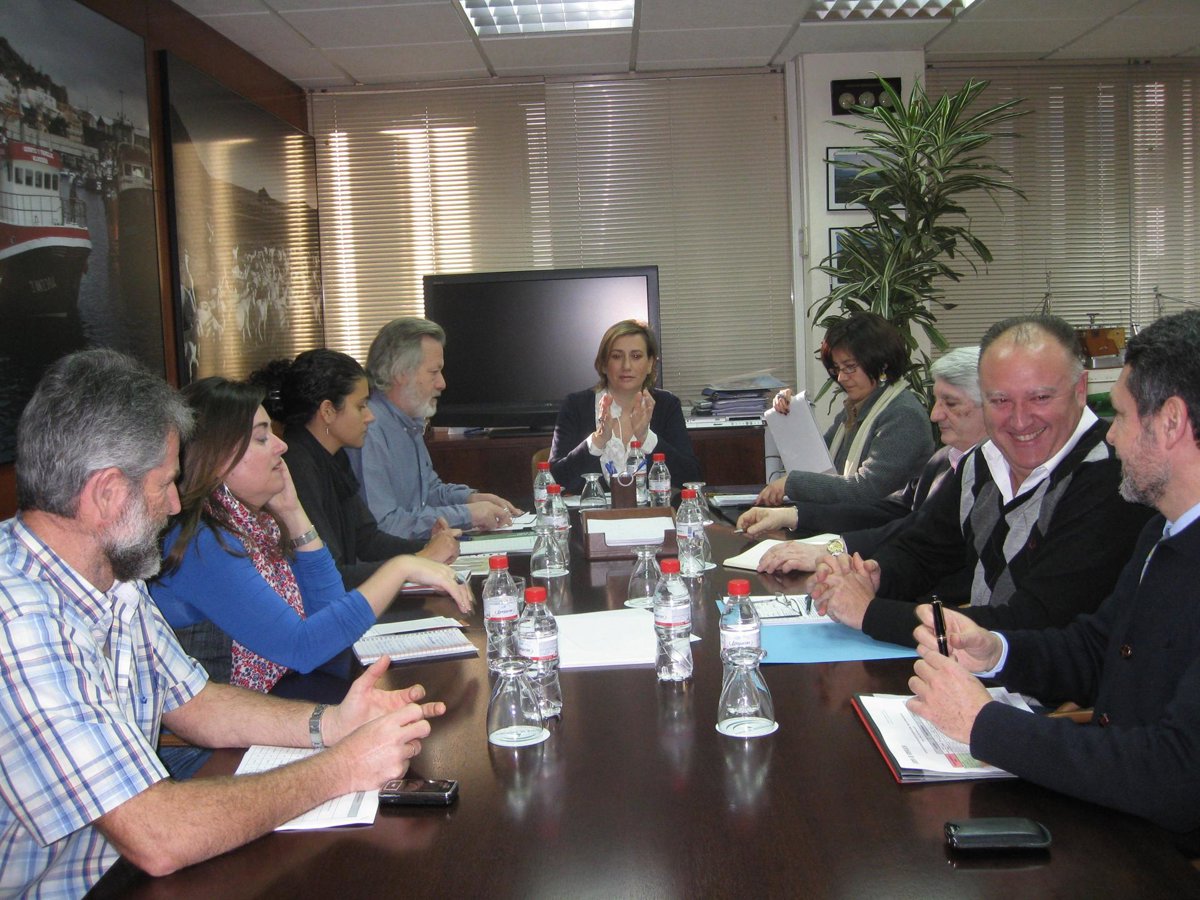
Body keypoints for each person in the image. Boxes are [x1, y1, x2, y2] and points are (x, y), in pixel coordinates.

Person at [0, 350, 444, 896]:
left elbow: (195, 703)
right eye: (165, 484)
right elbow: (158, 836)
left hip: (120, 867)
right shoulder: (18, 619)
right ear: (107, 493)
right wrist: (343, 767)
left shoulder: (114, 580)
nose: (173, 505)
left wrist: (332, 725)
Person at [907, 310, 1200, 848]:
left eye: (1122, 416)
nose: (1111, 436)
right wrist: (995, 651)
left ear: (1172, 421)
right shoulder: (1162, 531)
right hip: (1113, 814)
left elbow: (1176, 776)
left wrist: (984, 724)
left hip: (1156, 854)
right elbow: (1095, 649)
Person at [808, 314, 1154, 647]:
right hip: (972, 669)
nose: (1019, 420)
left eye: (1040, 398)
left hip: (1039, 681)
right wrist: (876, 576)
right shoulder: (983, 460)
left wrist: (871, 613)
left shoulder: (1112, 478)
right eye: (1000, 400)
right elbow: (924, 550)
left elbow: (1035, 622)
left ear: (1080, 390)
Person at [150, 377, 473, 692]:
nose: (281, 445)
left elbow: (327, 614)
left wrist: (294, 514)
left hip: (279, 694)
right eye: (261, 438)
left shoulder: (252, 522)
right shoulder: (201, 541)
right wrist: (400, 568)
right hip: (232, 723)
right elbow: (302, 647)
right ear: (215, 457)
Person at [740, 347, 985, 599]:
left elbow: (912, 527)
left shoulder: (908, 418)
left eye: (950, 403)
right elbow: (892, 510)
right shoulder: (946, 457)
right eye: (837, 369)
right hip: (900, 583)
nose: (934, 415)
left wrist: (832, 550)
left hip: (942, 605)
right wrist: (792, 515)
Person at [256, 349, 460, 589]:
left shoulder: (334, 456)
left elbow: (367, 539)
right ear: (328, 411)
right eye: (361, 406)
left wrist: (427, 546)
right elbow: (335, 576)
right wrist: (419, 560)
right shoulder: (296, 468)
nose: (370, 416)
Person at [348, 317, 522, 540]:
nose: (442, 383)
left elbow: (426, 494)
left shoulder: (408, 421)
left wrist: (470, 499)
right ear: (400, 373)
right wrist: (468, 514)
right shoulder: (368, 429)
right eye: (434, 372)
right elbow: (384, 525)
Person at [758, 311, 933, 506]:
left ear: (882, 364)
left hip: (885, 524)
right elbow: (816, 463)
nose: (841, 378)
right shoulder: (855, 409)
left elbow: (867, 490)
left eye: (850, 367)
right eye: (837, 369)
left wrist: (791, 484)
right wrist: (791, 414)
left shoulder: (903, 414)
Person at [549, 318, 702, 494]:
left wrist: (646, 438)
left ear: (650, 364)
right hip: (593, 511)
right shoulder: (575, 406)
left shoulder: (667, 405)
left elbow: (691, 478)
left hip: (653, 511)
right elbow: (554, 481)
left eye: (636, 356)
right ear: (603, 364)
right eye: (616, 356)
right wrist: (598, 440)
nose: (626, 366)